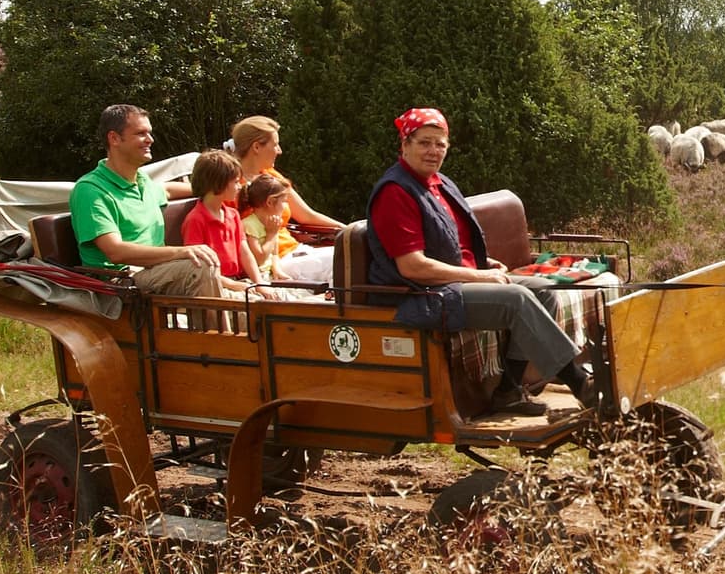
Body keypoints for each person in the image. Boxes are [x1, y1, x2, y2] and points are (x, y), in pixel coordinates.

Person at [364, 105, 591, 414]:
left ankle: (508, 390)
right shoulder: (395, 193)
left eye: (440, 144)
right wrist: (480, 277)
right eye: (424, 142)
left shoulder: (439, 183)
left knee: (543, 289)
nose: (433, 151)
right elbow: (412, 266)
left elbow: (450, 243)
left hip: (452, 283)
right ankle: (580, 384)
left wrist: (485, 264)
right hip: (419, 295)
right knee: (516, 300)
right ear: (404, 145)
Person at [70, 103, 222, 296]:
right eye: (140, 133)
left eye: (149, 133)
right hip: (121, 283)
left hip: (156, 272)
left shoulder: (142, 181)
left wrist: (218, 190)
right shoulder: (91, 190)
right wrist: (181, 251)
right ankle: (213, 328)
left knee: (252, 302)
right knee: (199, 266)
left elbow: (167, 190)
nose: (150, 139)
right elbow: (115, 251)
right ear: (114, 138)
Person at [228, 116, 343, 243]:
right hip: (265, 258)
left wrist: (347, 230)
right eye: (276, 145)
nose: (280, 151)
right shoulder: (230, 185)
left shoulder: (274, 177)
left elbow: (307, 216)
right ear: (256, 147)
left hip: (291, 249)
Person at [170, 146, 252, 282]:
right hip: (214, 284)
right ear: (219, 183)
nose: (239, 187)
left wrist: (259, 282)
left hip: (237, 280)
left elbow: (245, 252)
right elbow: (198, 266)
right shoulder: (196, 220)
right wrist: (233, 285)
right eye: (236, 182)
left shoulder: (233, 215)